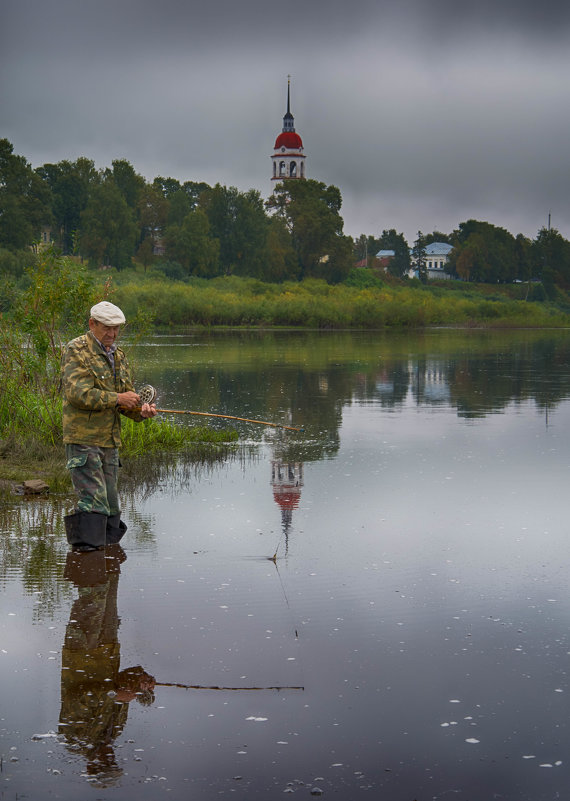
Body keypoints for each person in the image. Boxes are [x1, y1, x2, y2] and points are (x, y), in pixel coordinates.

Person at [61, 301, 157, 551]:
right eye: (107, 328)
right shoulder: (76, 350)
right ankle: (88, 571)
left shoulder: (119, 355)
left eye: (116, 329)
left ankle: (107, 570)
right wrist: (118, 398)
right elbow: (77, 394)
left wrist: (141, 412)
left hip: (110, 442)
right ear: (92, 324)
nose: (112, 334)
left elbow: (126, 402)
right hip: (82, 439)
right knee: (94, 503)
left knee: (112, 505)